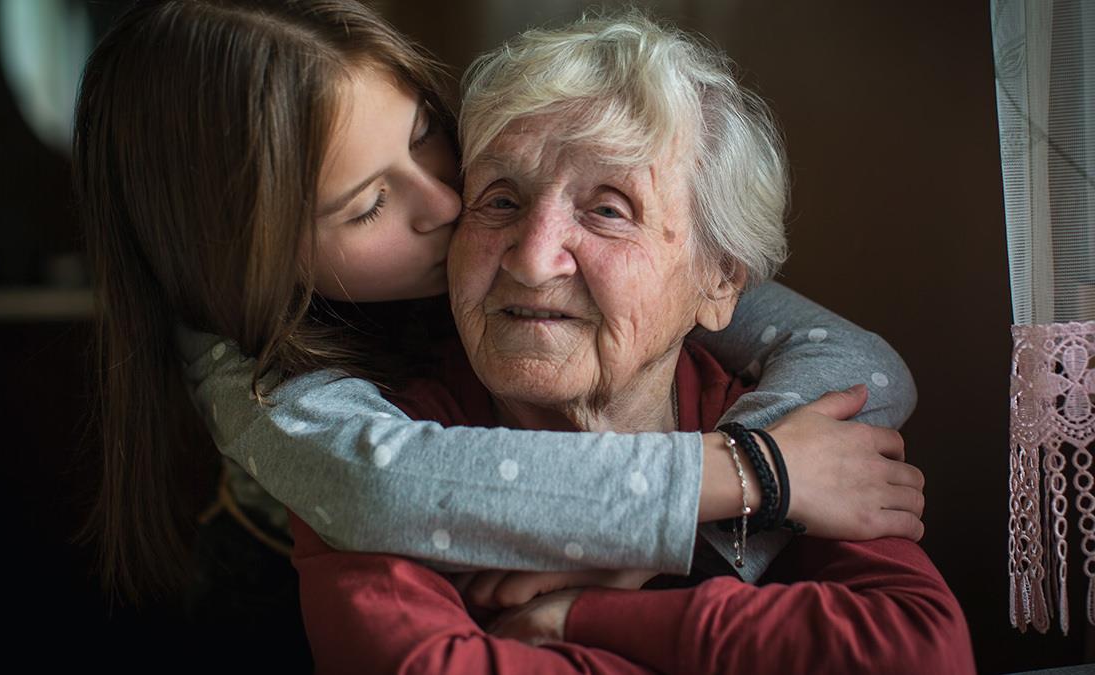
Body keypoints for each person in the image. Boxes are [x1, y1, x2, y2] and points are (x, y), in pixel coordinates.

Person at [74, 0, 921, 625]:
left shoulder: (624, 266)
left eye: (422, 136)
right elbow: (383, 486)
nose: (447, 201)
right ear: (246, 261)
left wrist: (726, 520)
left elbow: (859, 363)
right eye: (368, 204)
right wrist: (755, 475)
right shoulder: (254, 373)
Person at [285, 11, 974, 673]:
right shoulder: (386, 448)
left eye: (608, 209)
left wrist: (580, 614)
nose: (532, 258)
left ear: (719, 280)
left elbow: (919, 652)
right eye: (500, 199)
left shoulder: (790, 427)